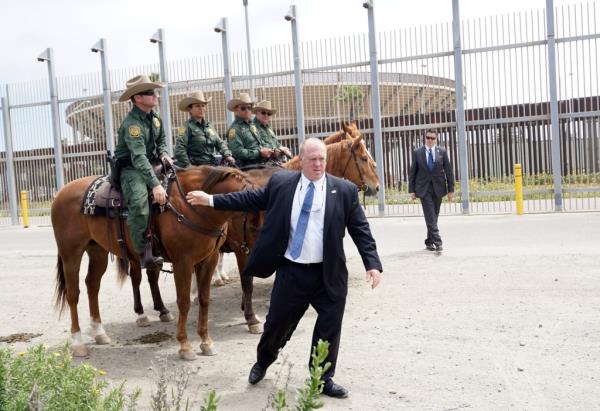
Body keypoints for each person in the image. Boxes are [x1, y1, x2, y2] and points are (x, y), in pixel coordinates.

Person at [186, 137, 383, 399]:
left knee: (329, 328)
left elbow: (360, 229)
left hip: (329, 274)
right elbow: (250, 198)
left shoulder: (344, 190)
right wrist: (211, 200)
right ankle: (263, 361)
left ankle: (322, 378)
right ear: (301, 160)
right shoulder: (282, 184)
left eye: (321, 159)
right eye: (312, 159)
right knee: (276, 326)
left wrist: (372, 264)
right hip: (293, 270)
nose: (318, 164)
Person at [114, 74, 174, 269]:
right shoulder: (132, 124)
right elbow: (138, 157)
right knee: (140, 205)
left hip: (152, 163)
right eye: (150, 93)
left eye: (155, 92)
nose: (155, 96)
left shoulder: (154, 119)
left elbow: (162, 139)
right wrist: (155, 184)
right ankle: (141, 252)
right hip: (132, 169)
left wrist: (164, 153)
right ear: (137, 98)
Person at [408, 129, 455, 252]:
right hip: (423, 189)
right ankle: (438, 242)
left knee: (434, 216)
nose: (430, 140)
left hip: (438, 188)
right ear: (425, 138)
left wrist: (451, 190)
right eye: (428, 137)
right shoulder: (417, 152)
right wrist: (412, 190)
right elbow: (413, 172)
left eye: (432, 138)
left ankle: (429, 241)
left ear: (436, 139)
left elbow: (448, 171)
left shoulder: (442, 152)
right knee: (430, 215)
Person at [174, 91, 235, 167]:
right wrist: (189, 166)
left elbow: (220, 143)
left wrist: (227, 155)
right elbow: (179, 149)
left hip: (211, 165)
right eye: (197, 106)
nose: (201, 108)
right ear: (190, 109)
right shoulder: (185, 127)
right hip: (196, 167)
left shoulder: (209, 126)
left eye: (203, 105)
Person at [225, 93, 273, 168]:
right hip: (246, 167)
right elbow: (237, 152)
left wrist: (270, 150)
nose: (247, 110)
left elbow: (260, 143)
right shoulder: (234, 129)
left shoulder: (252, 125)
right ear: (236, 110)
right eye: (243, 108)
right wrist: (259, 153)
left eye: (249, 108)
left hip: (261, 164)